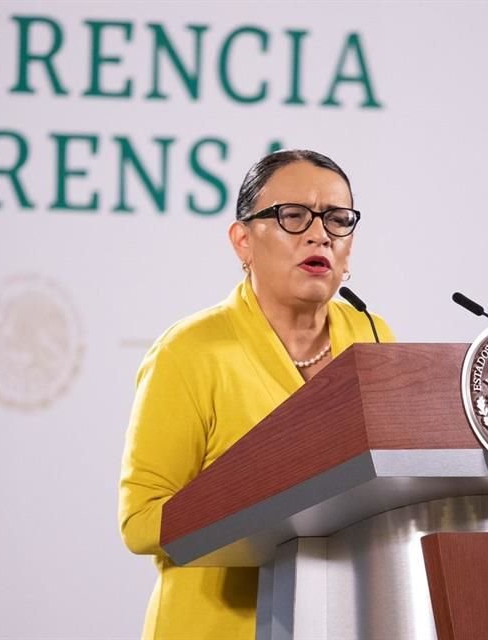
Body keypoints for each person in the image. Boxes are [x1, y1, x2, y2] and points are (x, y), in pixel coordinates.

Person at [118, 150, 394, 639]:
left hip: (344, 621)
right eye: (293, 216)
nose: (319, 234)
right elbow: (140, 521)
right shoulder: (191, 351)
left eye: (338, 219)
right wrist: (267, 504)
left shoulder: (373, 338)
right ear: (242, 240)